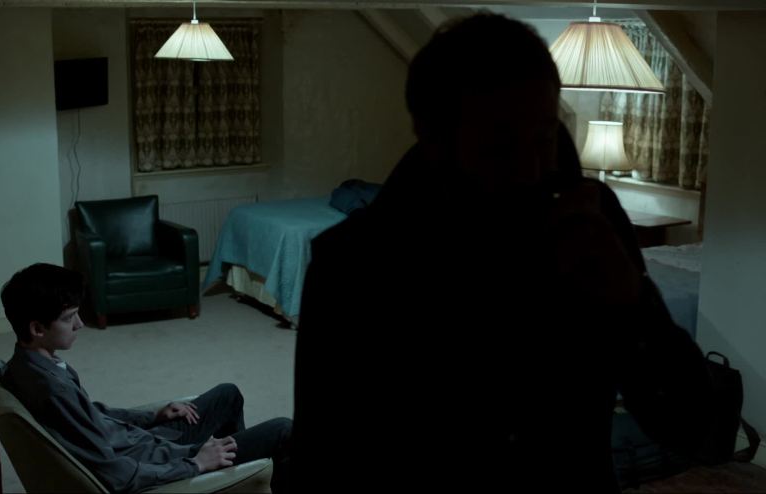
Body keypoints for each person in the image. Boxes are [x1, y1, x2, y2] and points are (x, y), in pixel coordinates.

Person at [291, 13, 712, 493]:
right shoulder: (353, 266)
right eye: (500, 148)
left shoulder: (591, 224)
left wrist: (634, 301)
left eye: (544, 138)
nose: (531, 171)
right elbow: (322, 462)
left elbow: (692, 427)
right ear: (433, 139)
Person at [0, 263, 292, 494]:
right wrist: (196, 464)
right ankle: (225, 476)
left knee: (228, 395)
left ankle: (235, 480)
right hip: (156, 460)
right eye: (69, 318)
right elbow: (116, 475)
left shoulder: (26, 366)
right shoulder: (52, 390)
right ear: (37, 328)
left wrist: (154, 415)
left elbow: (93, 415)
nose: (80, 324)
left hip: (143, 441)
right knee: (283, 431)